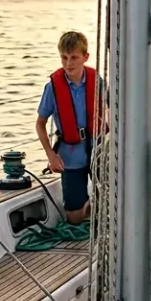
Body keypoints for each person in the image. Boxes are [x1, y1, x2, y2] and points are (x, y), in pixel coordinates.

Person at [36, 31, 100, 225]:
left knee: (111, 201)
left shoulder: (97, 81)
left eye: (74, 58)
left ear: (85, 57)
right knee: (74, 218)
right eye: (64, 58)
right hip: (70, 153)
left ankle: (95, 204)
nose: (68, 63)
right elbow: (40, 124)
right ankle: (86, 204)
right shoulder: (53, 88)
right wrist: (51, 155)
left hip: (97, 149)